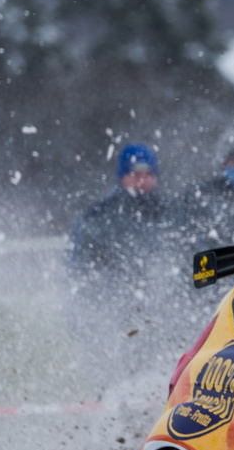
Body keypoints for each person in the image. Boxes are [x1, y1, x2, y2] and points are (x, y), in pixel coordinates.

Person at [65, 143, 185, 391]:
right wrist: (83, 315)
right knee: (113, 388)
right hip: (113, 319)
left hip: (159, 318)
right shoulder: (98, 217)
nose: (142, 181)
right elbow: (79, 271)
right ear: (122, 177)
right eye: (136, 175)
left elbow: (185, 262)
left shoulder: (171, 213)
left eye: (148, 175)